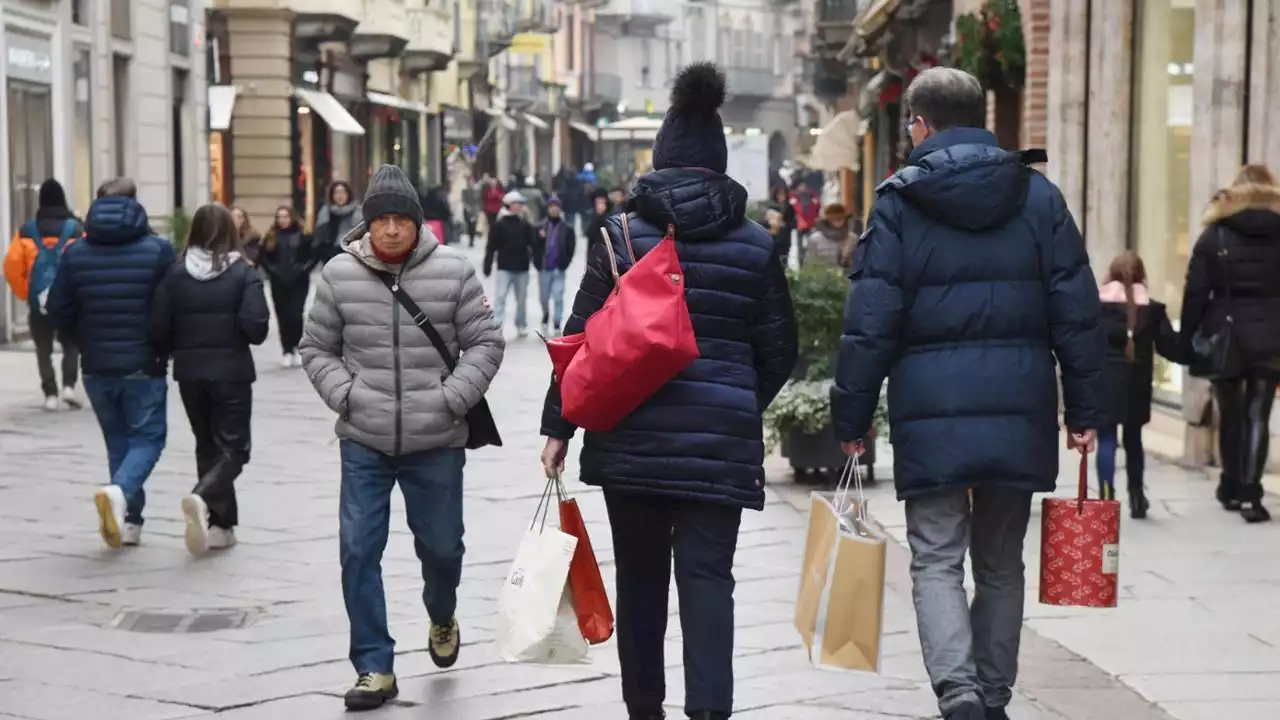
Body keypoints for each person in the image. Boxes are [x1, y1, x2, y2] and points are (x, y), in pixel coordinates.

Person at [829, 68, 1106, 720]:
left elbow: (870, 322)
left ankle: (957, 693)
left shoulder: (898, 204)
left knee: (935, 559)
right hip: (1020, 405)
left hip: (931, 413)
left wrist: (852, 413)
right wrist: (1087, 410)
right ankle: (992, 693)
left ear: (919, 124)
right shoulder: (1039, 198)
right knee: (1003, 562)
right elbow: (1077, 310)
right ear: (981, 116)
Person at [540, 63, 798, 720]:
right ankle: (710, 710)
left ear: (659, 160)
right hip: (719, 446)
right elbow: (780, 351)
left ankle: (644, 709)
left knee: (643, 583)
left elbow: (580, 339)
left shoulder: (621, 236)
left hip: (632, 441)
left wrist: (558, 428)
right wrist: (737, 401)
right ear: (719, 161)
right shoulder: (754, 245)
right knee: (710, 581)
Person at [298, 164, 505, 711]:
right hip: (364, 438)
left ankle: (442, 614)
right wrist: (346, 395)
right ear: (367, 224)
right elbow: (315, 347)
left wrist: (450, 398)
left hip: (436, 440)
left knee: (442, 549)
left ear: (417, 222)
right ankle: (374, 665)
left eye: (400, 219)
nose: (390, 230)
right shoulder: (339, 275)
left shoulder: (454, 272)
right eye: (380, 220)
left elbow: (486, 342)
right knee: (358, 550)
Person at [47, 177, 176, 549]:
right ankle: (121, 494)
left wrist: (83, 340)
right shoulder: (157, 250)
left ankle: (130, 521)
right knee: (149, 437)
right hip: (142, 361)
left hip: (96, 363)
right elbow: (170, 309)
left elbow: (58, 308)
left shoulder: (75, 252)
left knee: (118, 442)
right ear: (135, 204)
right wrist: (163, 346)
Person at [151, 204, 269, 554]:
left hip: (190, 372)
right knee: (234, 449)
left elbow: (158, 328)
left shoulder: (175, 273)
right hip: (231, 372)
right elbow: (257, 328)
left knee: (206, 444)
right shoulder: (243, 274)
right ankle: (202, 498)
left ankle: (221, 526)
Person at [1181, 163, 1280, 523]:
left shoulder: (1216, 234)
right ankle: (1252, 497)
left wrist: (1187, 336)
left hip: (1225, 334)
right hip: (1272, 334)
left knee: (1231, 413)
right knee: (1259, 413)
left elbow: (1195, 290)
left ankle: (1230, 485)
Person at [1096, 251, 1183, 518]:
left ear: (1109, 274)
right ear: (1142, 277)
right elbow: (1171, 347)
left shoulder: (1095, 306)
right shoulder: (1153, 310)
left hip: (1105, 383)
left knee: (1107, 439)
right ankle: (1136, 497)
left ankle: (1107, 499)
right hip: (1137, 385)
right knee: (1134, 440)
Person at [3, 178, 83, 411]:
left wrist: (25, 292)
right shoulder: (75, 229)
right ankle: (69, 385)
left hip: (39, 300)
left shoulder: (28, 231)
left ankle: (50, 393)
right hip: (68, 300)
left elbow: (11, 264)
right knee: (71, 344)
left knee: (43, 348)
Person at [261, 206, 313, 368]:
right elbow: (264, 258)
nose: (282, 220)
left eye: (285, 216)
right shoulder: (271, 237)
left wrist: (302, 270)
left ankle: (297, 347)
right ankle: (286, 350)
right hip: (278, 281)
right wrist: (273, 272)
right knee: (282, 316)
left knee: (296, 314)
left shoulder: (303, 235)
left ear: (291, 218)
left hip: (299, 281)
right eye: (279, 217)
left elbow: (312, 255)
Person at [482, 190, 537, 338]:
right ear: (511, 205)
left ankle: (521, 324)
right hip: (504, 267)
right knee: (500, 298)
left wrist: (530, 222)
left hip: (522, 266)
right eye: (518, 203)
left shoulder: (524, 224)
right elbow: (491, 246)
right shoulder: (499, 225)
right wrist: (487, 265)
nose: (521, 206)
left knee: (521, 300)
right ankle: (498, 324)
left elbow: (534, 242)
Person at [534, 195, 576, 335]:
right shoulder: (541, 226)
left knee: (558, 296)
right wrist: (536, 262)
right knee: (544, 297)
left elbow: (571, 246)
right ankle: (545, 315)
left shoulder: (566, 227)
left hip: (559, 268)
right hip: (544, 267)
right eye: (551, 207)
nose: (554, 210)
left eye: (556, 207)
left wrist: (566, 262)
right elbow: (534, 246)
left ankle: (557, 322)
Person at [314, 181, 363, 263]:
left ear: (348, 194)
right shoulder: (325, 212)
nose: (340, 196)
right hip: (329, 258)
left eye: (343, 192)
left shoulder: (358, 212)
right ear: (331, 195)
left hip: (351, 257)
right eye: (336, 192)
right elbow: (319, 238)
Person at [803, 203, 858, 268]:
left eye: (840, 219)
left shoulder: (853, 238)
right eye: (834, 219)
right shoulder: (815, 239)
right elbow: (809, 264)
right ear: (828, 220)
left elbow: (859, 264)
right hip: (822, 276)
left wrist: (848, 261)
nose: (838, 222)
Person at [767, 183, 797, 264]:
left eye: (783, 194)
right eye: (779, 194)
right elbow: (764, 222)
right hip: (772, 238)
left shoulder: (789, 207)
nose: (781, 197)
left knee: (783, 262)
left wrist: (785, 224)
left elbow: (794, 224)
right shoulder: (771, 207)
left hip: (785, 240)